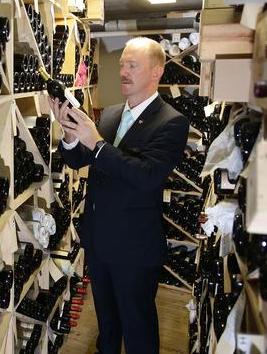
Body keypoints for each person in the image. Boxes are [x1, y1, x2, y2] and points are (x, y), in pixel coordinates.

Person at [49, 37, 189, 354]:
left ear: (157, 72)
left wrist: (97, 143)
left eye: (133, 65)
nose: (123, 71)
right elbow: (78, 160)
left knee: (137, 327)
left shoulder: (172, 122)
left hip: (135, 249)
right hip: (99, 242)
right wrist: (71, 135)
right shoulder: (111, 114)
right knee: (107, 325)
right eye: (122, 64)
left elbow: (145, 176)